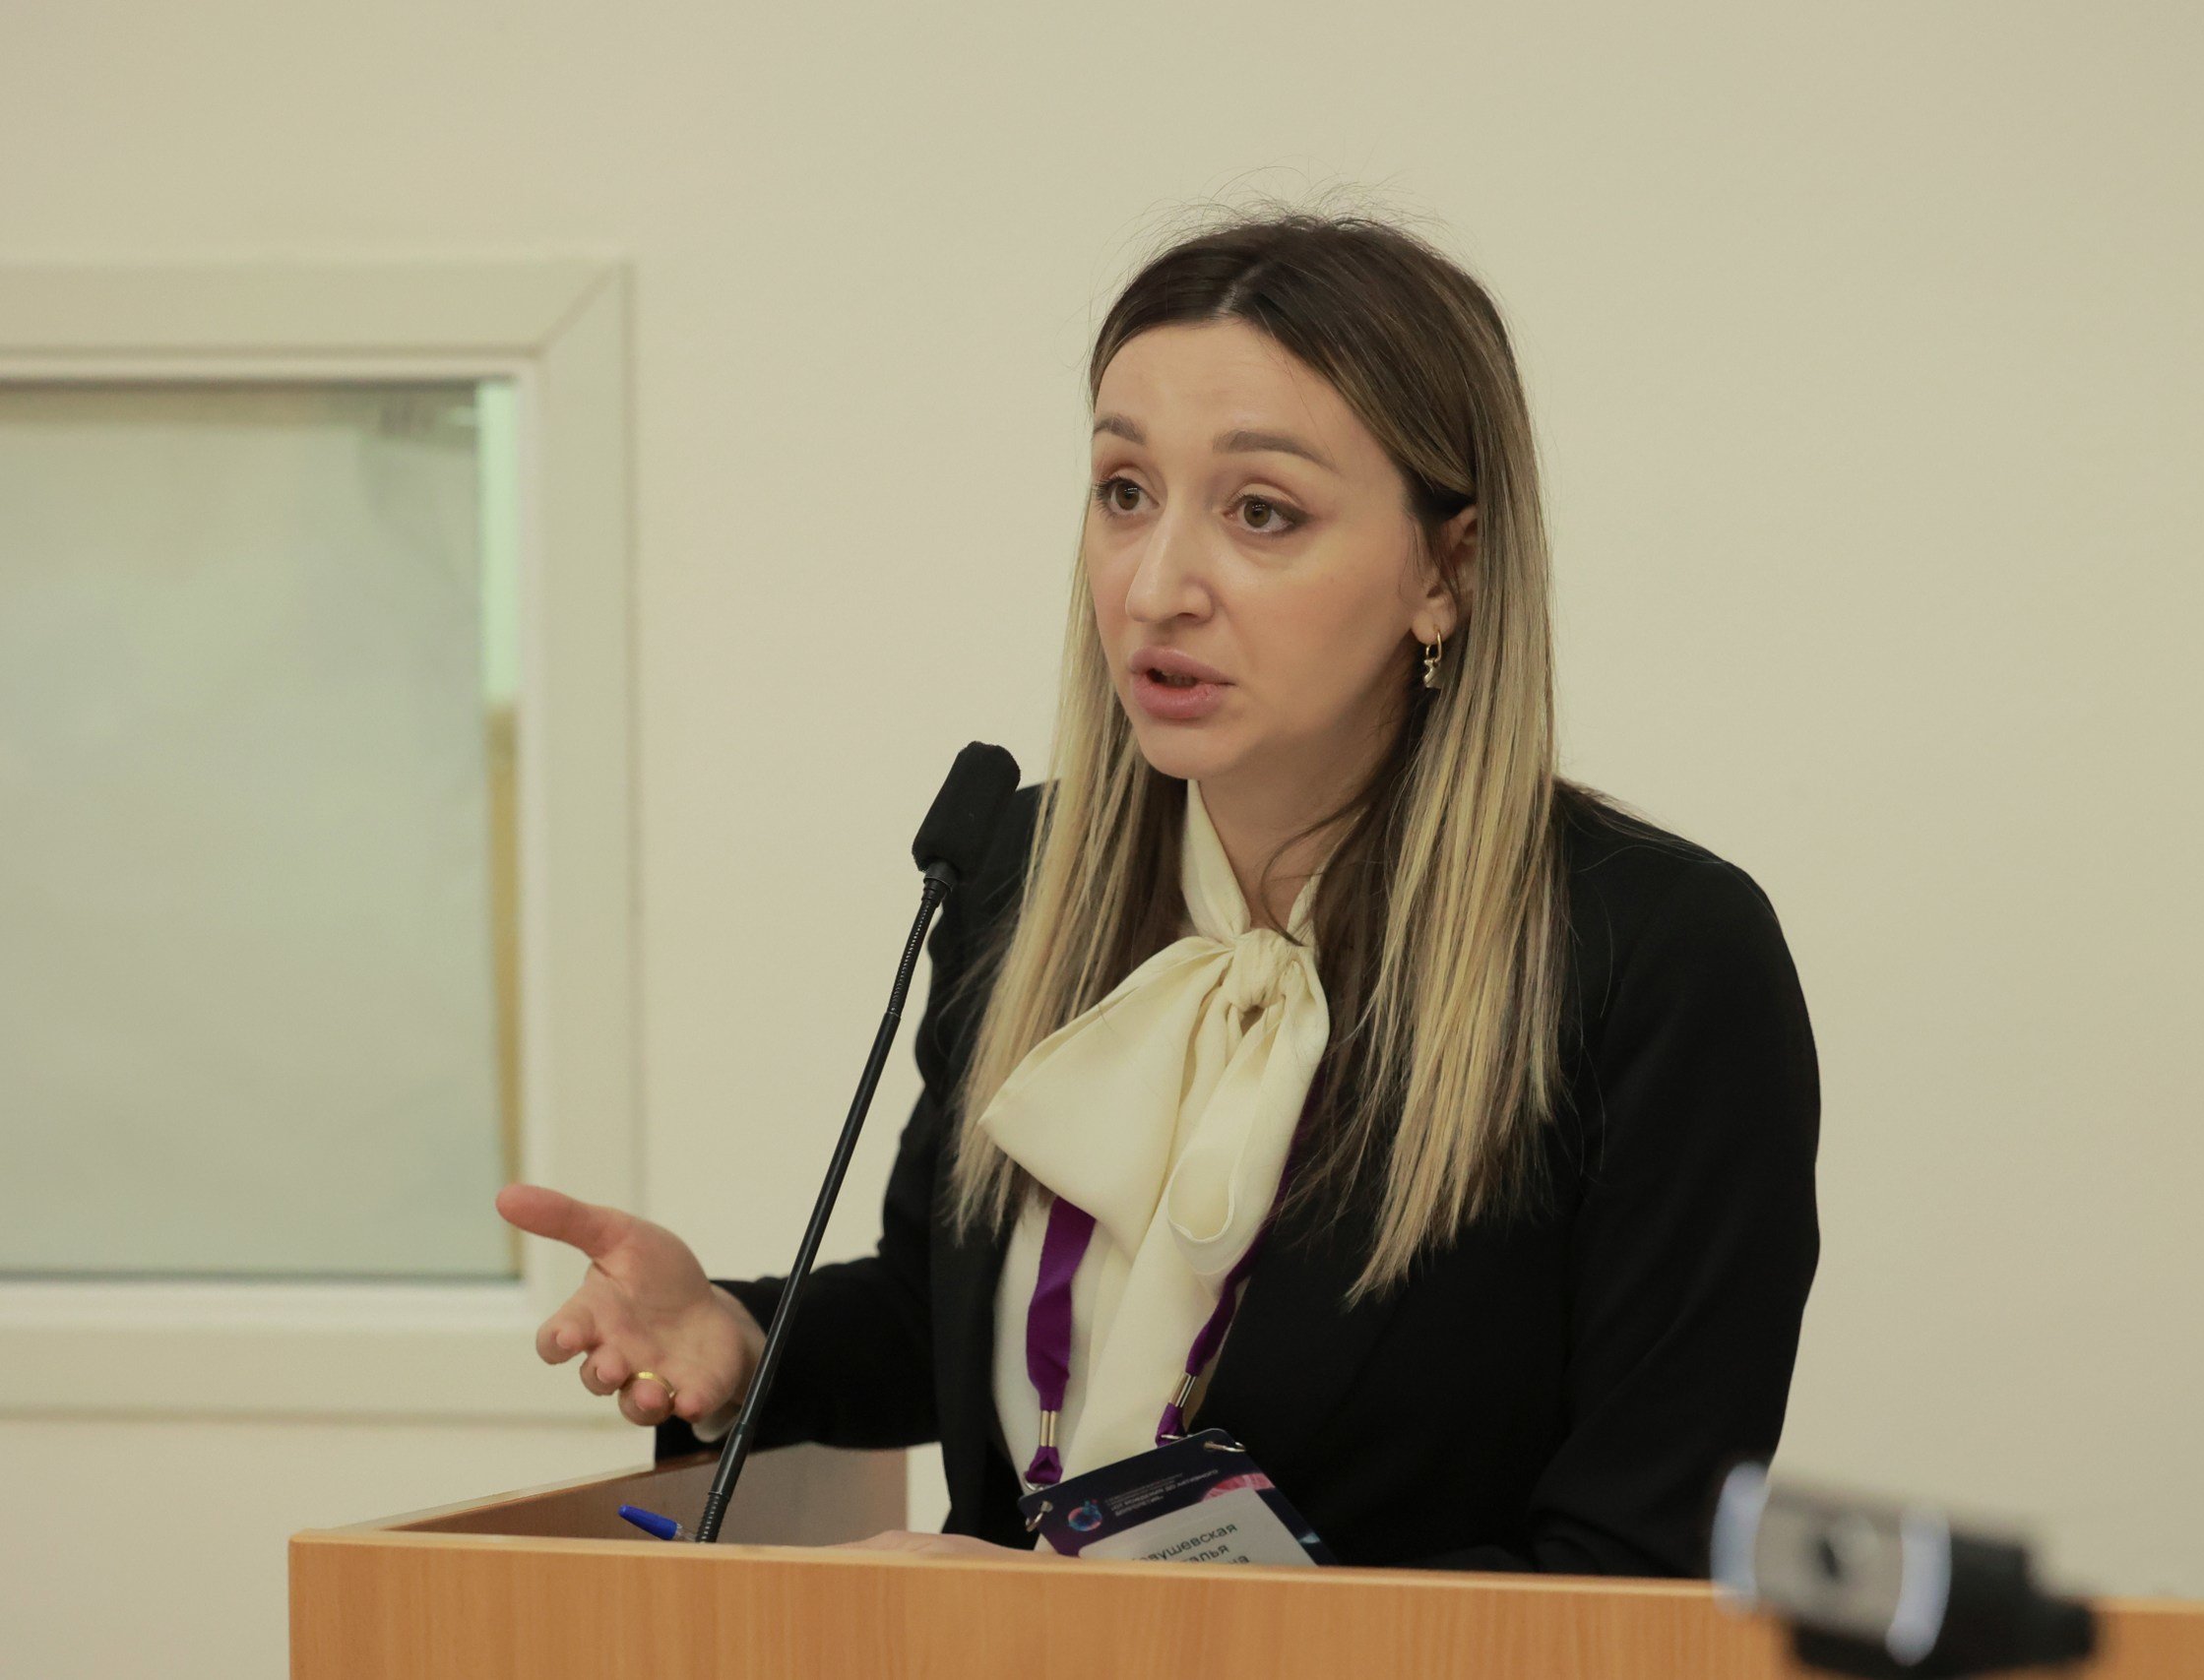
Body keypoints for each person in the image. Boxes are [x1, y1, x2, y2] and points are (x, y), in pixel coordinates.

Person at [497, 205, 1822, 1575]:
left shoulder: (1657, 956)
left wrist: (1073, 1640)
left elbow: (1631, 1580)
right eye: (1125, 492)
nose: (1156, 587)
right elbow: (938, 1313)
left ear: (1450, 568)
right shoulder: (1020, 874)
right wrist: (736, 1333)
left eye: (1261, 512)